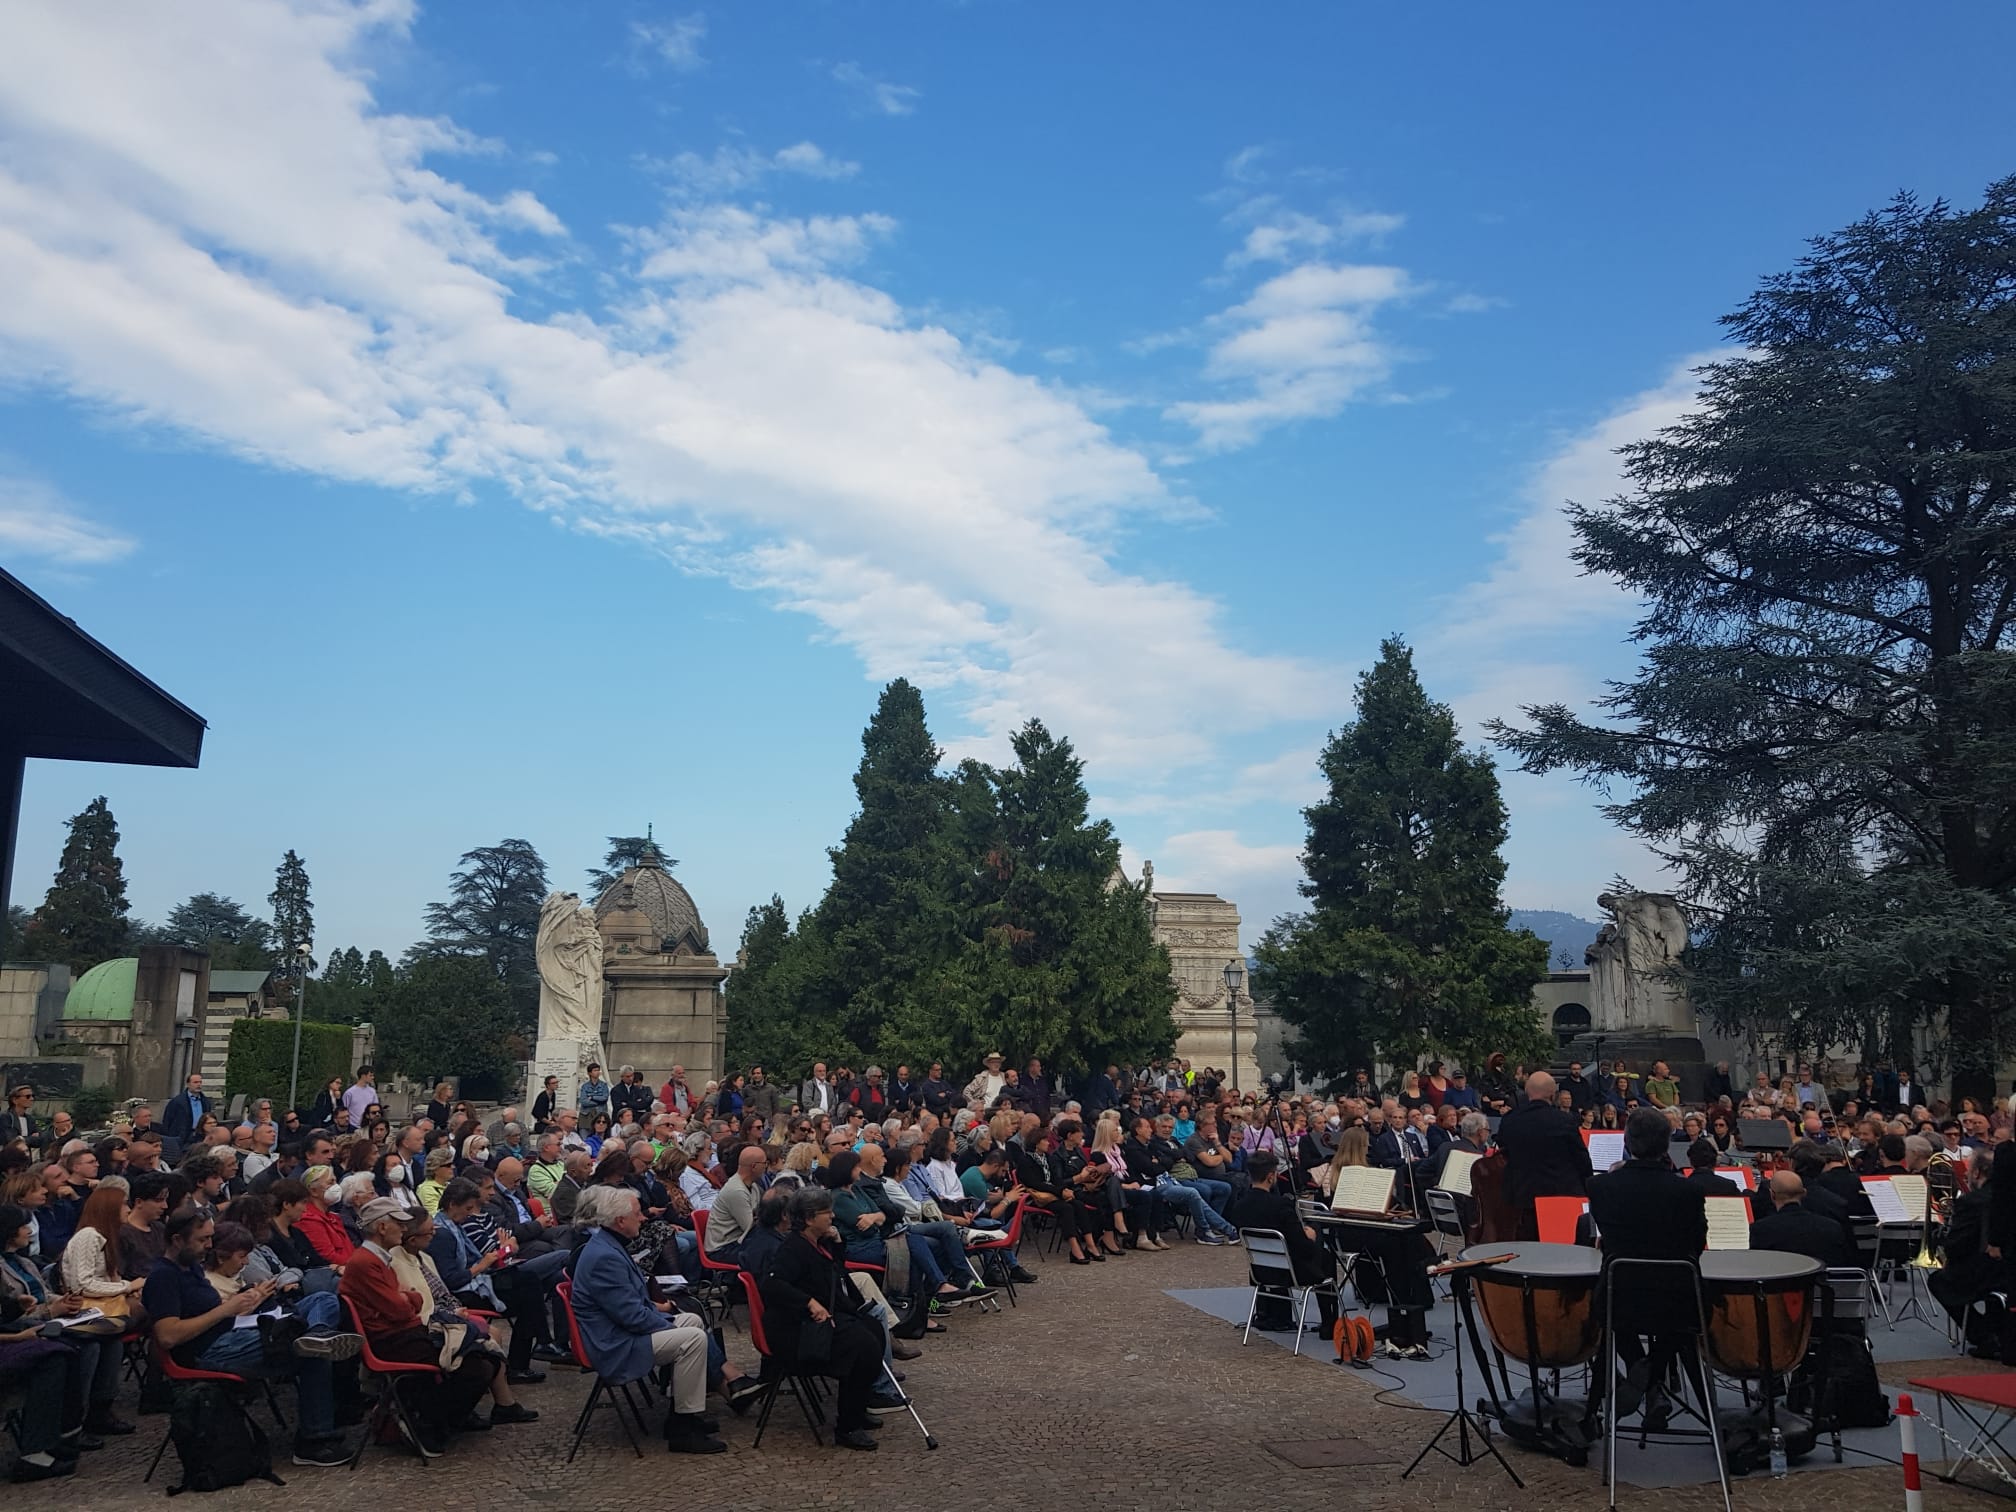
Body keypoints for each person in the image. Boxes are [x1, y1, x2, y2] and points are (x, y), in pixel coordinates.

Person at [144, 1206, 362, 1467]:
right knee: (309, 1352)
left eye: (210, 1238)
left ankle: (317, 1332)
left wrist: (244, 1303)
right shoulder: (163, 1277)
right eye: (202, 1239)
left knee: (323, 1300)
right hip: (209, 1351)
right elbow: (168, 1336)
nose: (209, 1245)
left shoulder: (189, 1266)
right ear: (178, 1240)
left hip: (233, 1329)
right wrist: (226, 1309)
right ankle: (315, 1438)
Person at [570, 1186, 724, 1454]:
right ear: (620, 1221)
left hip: (621, 1331)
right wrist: (666, 1321)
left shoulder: (609, 1245)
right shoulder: (605, 1256)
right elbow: (630, 1316)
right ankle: (683, 1429)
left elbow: (633, 1308)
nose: (643, 1218)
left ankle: (679, 1414)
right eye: (637, 1214)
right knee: (692, 1338)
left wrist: (670, 1318)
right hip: (614, 1344)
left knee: (691, 1321)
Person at [340, 1196, 501, 1449]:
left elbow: (402, 1304)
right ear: (382, 1228)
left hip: (404, 1333)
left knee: (484, 1356)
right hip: (393, 1340)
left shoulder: (376, 1259)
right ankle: (427, 1423)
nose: (404, 1229)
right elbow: (399, 1309)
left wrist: (407, 1298)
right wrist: (410, 1297)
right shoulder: (367, 1262)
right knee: (477, 1365)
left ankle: (434, 1419)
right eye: (399, 1223)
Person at [1586, 1108, 1707, 1431]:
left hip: (1619, 1296)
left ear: (1627, 1142)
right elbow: (1697, 1243)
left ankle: (1642, 1372)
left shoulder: (1600, 1187)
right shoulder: (1689, 1190)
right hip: (1677, 1297)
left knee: (1616, 1314)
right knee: (1676, 1325)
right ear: (1668, 1144)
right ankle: (1652, 1377)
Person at [760, 1186, 892, 1451]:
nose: (832, 1216)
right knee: (861, 1345)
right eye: (826, 1212)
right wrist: (808, 1302)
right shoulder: (792, 1248)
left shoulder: (820, 1244)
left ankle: (857, 1405)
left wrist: (838, 1243)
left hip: (821, 1318)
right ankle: (847, 1426)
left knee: (874, 1328)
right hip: (796, 1329)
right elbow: (772, 1285)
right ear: (809, 1218)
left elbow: (836, 1275)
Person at [1227, 1152, 1335, 1336]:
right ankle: (1330, 1324)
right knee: (1326, 1255)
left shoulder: (1238, 1207)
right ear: (1271, 1177)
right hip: (1291, 1272)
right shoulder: (1281, 1206)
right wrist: (1311, 1235)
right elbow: (1304, 1247)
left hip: (1260, 1269)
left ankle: (1269, 1313)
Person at [1495, 1072, 1592, 1240]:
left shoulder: (1510, 1120)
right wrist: (1588, 1185)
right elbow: (1581, 1157)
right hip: (1560, 1196)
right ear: (1553, 1094)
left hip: (1522, 1196)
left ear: (1527, 1092)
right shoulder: (1564, 1120)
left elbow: (1503, 1153)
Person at [1749, 1172, 1853, 1267]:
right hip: (1820, 1285)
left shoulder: (1761, 1229)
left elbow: (1758, 1266)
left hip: (1777, 1285)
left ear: (1772, 1195)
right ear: (1804, 1193)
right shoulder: (1832, 1227)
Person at [704, 1144, 765, 1269]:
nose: (766, 1167)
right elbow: (750, 1229)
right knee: (767, 1252)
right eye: (764, 1163)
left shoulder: (753, 1187)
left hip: (737, 1242)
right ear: (754, 1166)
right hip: (722, 1249)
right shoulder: (736, 1191)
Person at [158, 1072, 211, 1153]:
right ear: (188, 1084)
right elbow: (167, 1120)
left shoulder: (205, 1101)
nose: (199, 1085)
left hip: (200, 1135)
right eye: (195, 1082)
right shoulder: (177, 1101)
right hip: (183, 1137)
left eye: (200, 1082)